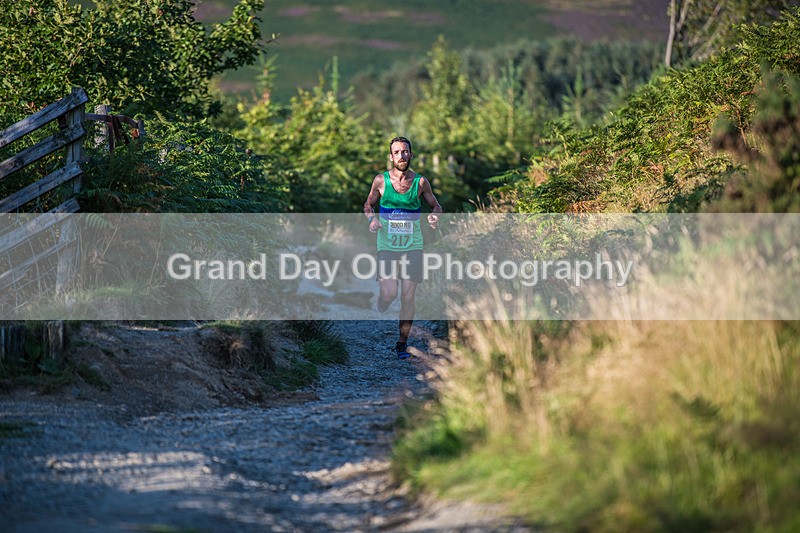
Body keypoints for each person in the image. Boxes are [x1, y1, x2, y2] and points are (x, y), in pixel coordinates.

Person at [363, 136, 442, 359]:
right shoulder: (380, 181)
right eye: (396, 152)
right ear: (391, 157)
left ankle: (401, 343)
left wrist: (435, 217)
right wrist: (372, 220)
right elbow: (368, 205)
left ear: (411, 154)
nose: (401, 156)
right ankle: (383, 299)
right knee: (390, 294)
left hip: (413, 245)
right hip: (387, 244)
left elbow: (436, 206)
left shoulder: (420, 183)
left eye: (405, 152)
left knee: (408, 298)